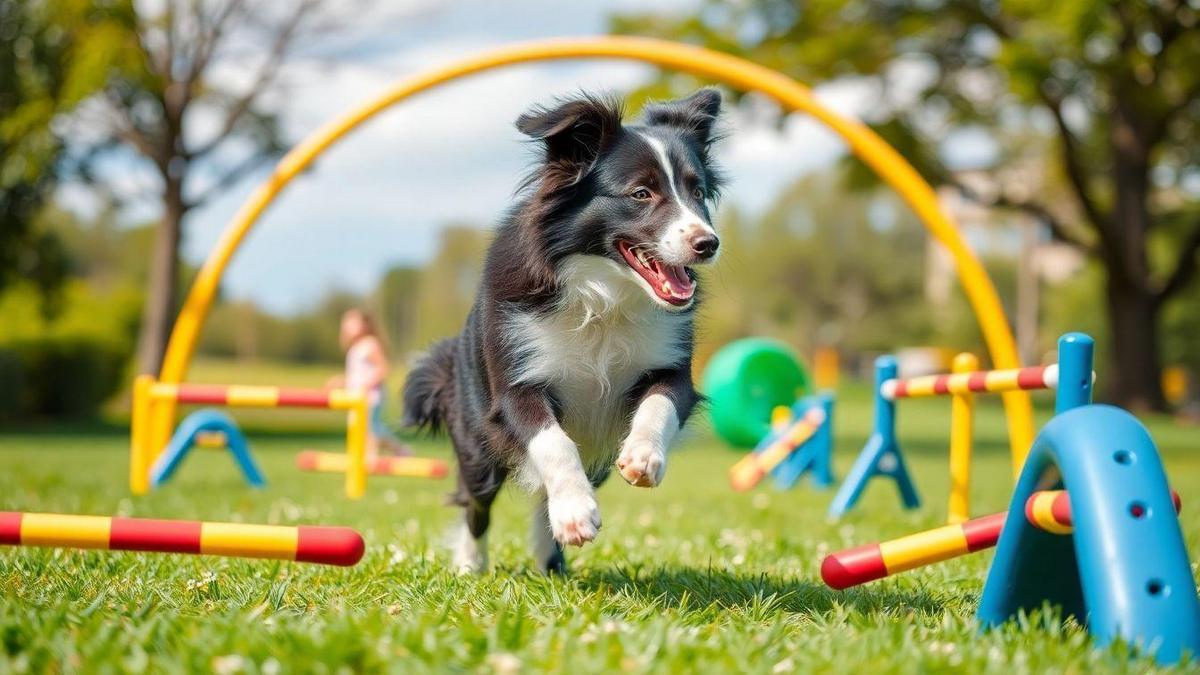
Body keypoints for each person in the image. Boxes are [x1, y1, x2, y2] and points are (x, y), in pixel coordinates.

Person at [330, 309, 410, 458]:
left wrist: (367, 385)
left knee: (371, 429)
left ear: (365, 325)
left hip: (371, 397)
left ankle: (371, 456)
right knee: (360, 427)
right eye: (346, 323)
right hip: (356, 398)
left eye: (353, 323)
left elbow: (384, 368)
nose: (348, 326)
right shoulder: (354, 348)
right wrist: (341, 381)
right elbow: (356, 375)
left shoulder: (370, 344)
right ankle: (397, 449)